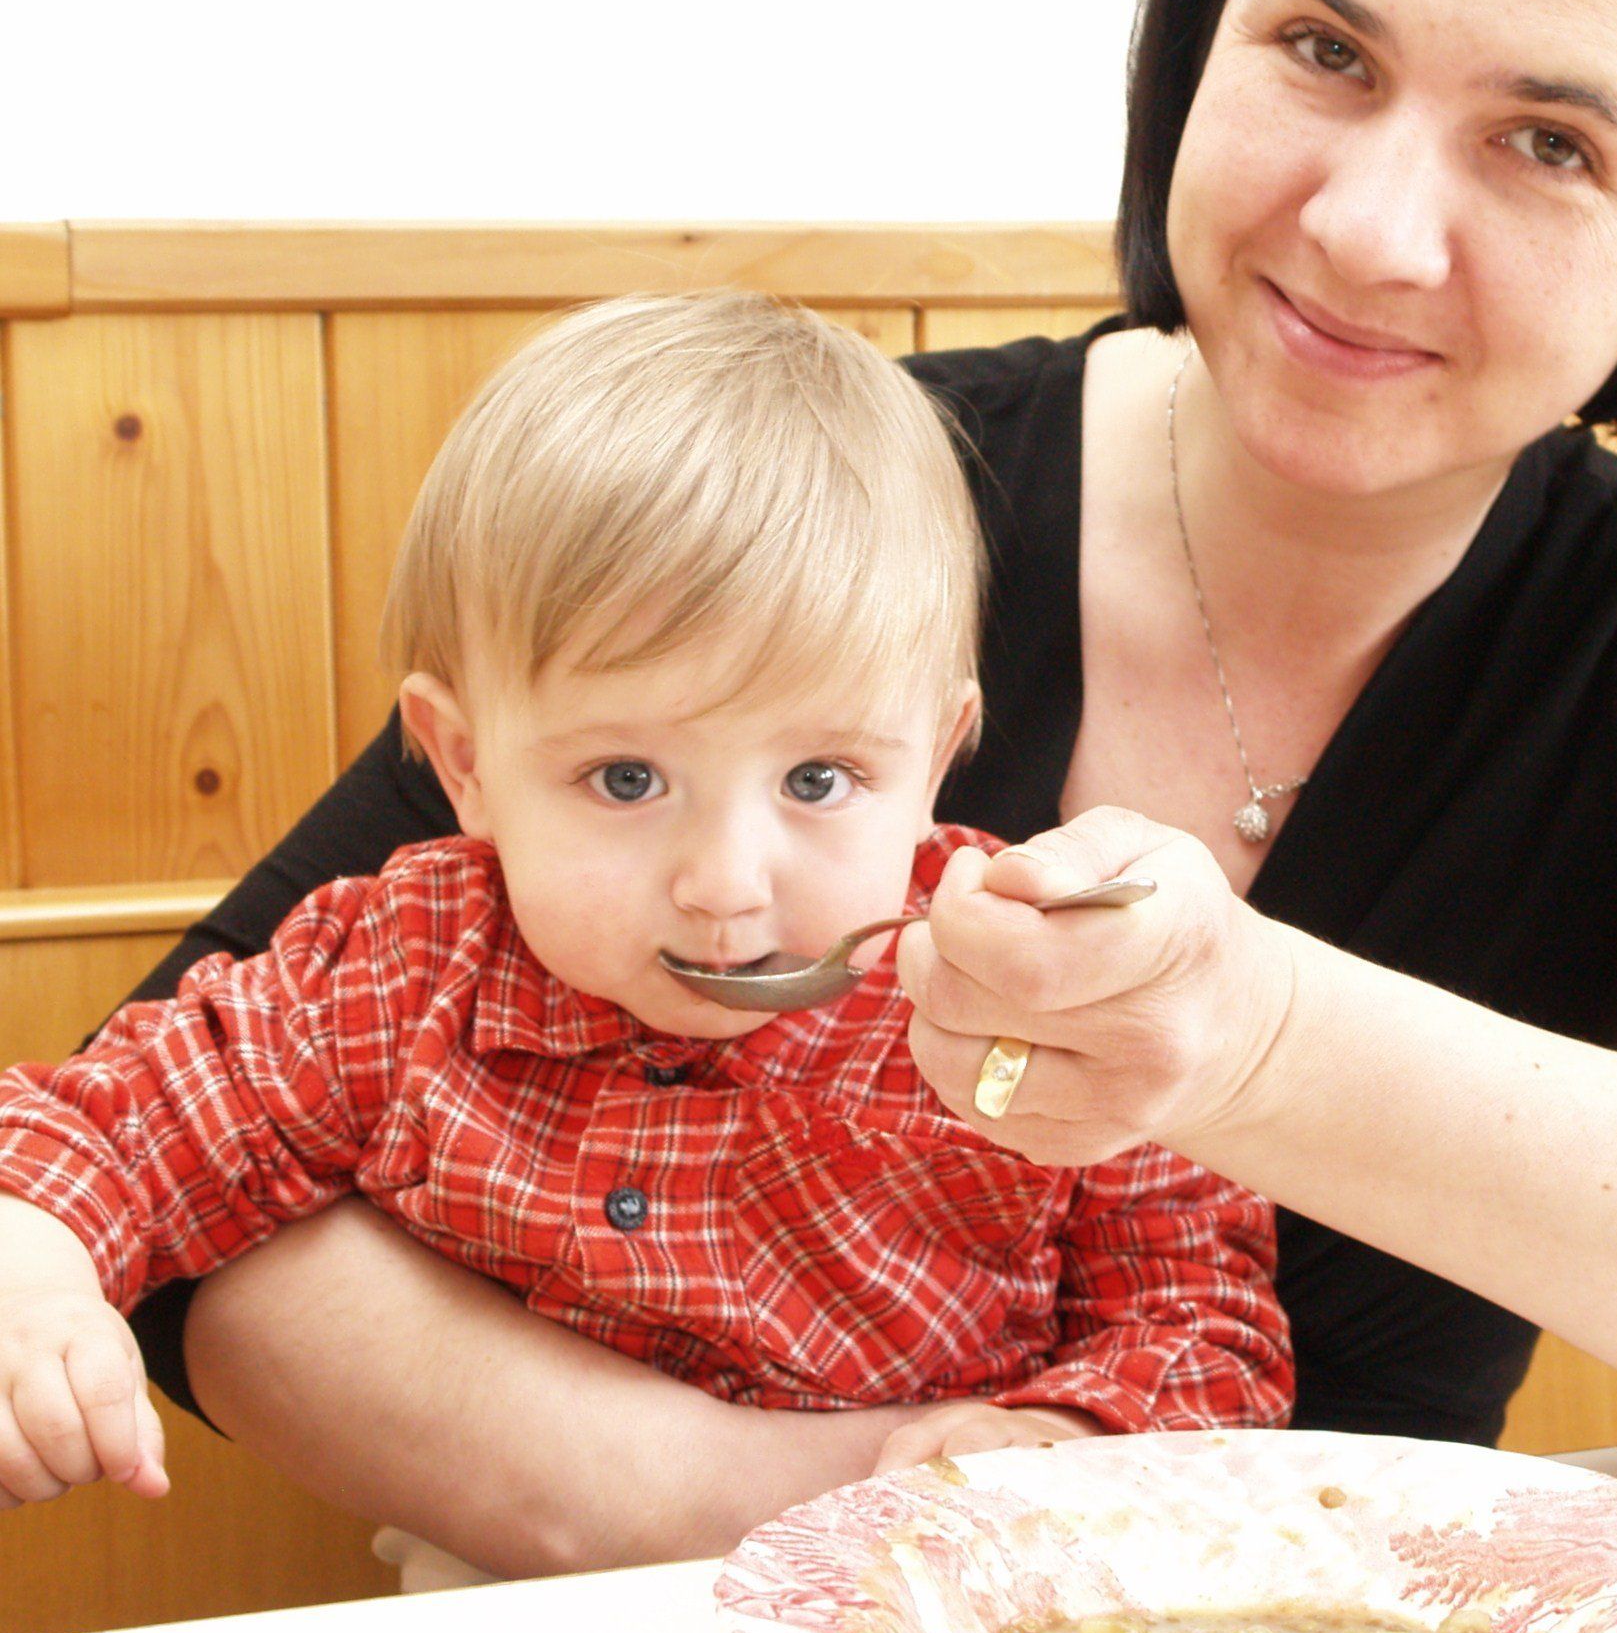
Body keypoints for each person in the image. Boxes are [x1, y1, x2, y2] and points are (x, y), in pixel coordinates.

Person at [108, 0, 1617, 1575]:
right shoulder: (832, 507)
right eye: (1321, 51)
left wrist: (1257, 1043)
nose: (1368, 227)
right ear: (1202, 34)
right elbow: (155, 1173)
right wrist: (812, 1506)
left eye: (1548, 144)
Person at [0, 292, 1290, 1517]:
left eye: (819, 779)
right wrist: (37, 1273)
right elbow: (110, 1126)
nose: (725, 882)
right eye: (627, 779)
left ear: (937, 758)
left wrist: (1068, 1434)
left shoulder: (1030, 983)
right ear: (463, 765)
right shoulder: (402, 967)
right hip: (515, 1612)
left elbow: (1205, 1327)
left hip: (954, 1615)